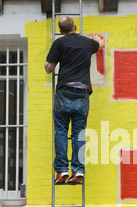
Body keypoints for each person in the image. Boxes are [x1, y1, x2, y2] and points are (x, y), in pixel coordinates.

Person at [45, 17, 105, 185]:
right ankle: (78, 171)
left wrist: (47, 63)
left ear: (61, 31)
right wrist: (94, 38)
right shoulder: (87, 43)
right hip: (82, 92)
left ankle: (62, 170)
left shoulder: (59, 43)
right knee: (78, 134)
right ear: (75, 27)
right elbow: (101, 44)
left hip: (64, 92)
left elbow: (49, 69)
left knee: (61, 132)